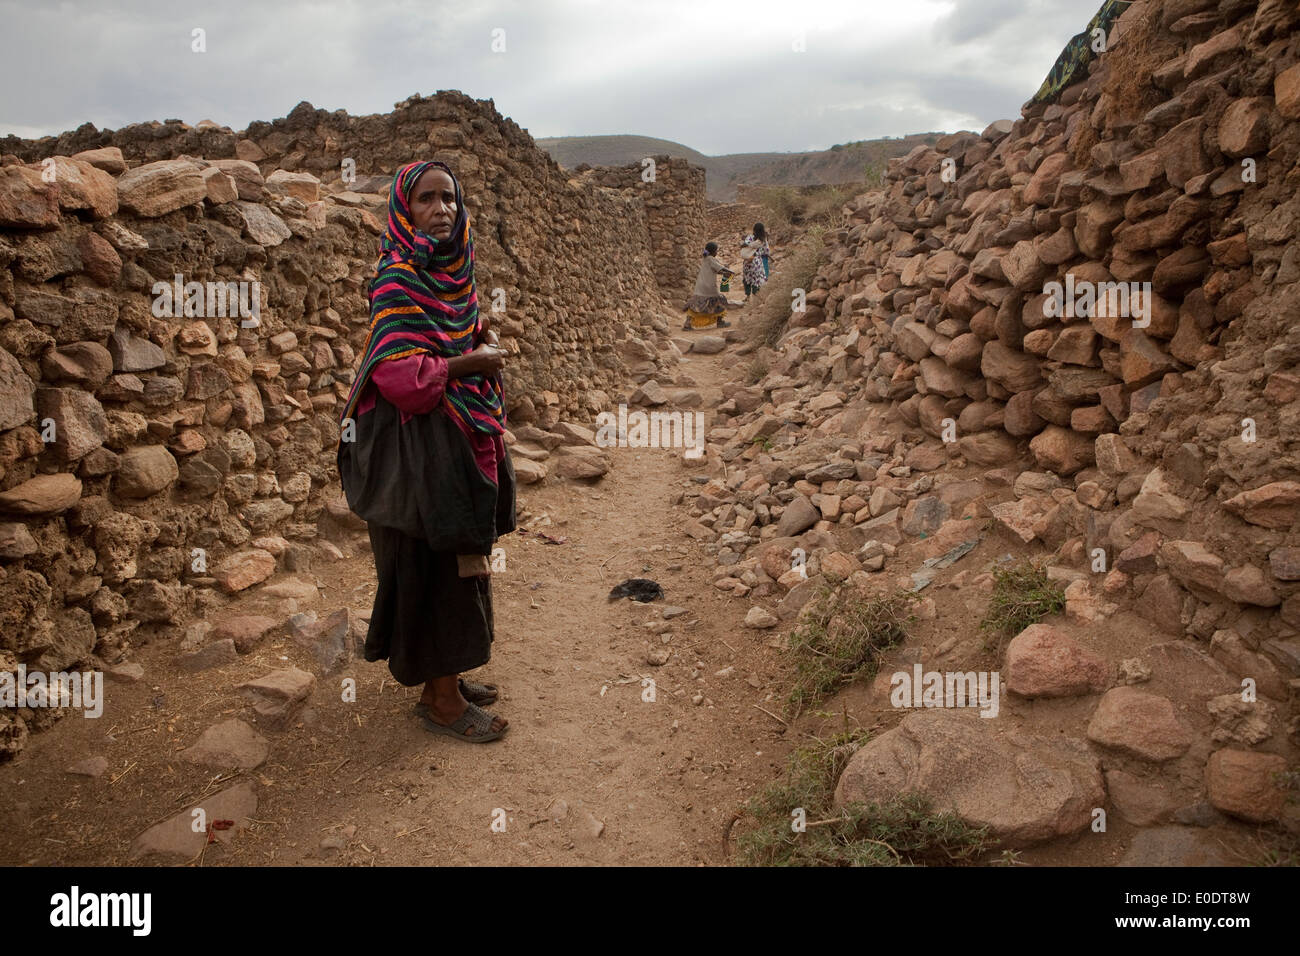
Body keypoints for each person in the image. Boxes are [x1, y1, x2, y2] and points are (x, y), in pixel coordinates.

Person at [337, 160, 515, 743]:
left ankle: (452, 677)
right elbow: (400, 378)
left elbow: (448, 335)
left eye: (450, 199)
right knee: (432, 565)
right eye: (426, 200)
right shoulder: (397, 280)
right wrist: (473, 362)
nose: (442, 210)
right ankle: (440, 701)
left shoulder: (453, 278)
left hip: (456, 439)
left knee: (462, 558)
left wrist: (476, 338)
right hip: (416, 452)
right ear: (402, 210)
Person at [682, 241, 734, 330]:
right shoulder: (711, 259)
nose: (717, 252)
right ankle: (720, 321)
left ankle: (687, 324)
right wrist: (729, 272)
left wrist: (723, 272)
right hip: (709, 286)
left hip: (700, 286)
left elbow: (716, 270)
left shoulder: (705, 259)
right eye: (716, 251)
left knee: (695, 305)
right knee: (719, 301)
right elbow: (719, 268)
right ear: (713, 251)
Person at [741, 222, 771, 299]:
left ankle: (747, 297)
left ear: (754, 229)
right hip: (757, 262)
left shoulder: (749, 237)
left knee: (747, 278)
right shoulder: (763, 240)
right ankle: (755, 296)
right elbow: (766, 251)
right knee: (756, 280)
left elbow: (744, 246)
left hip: (747, 261)